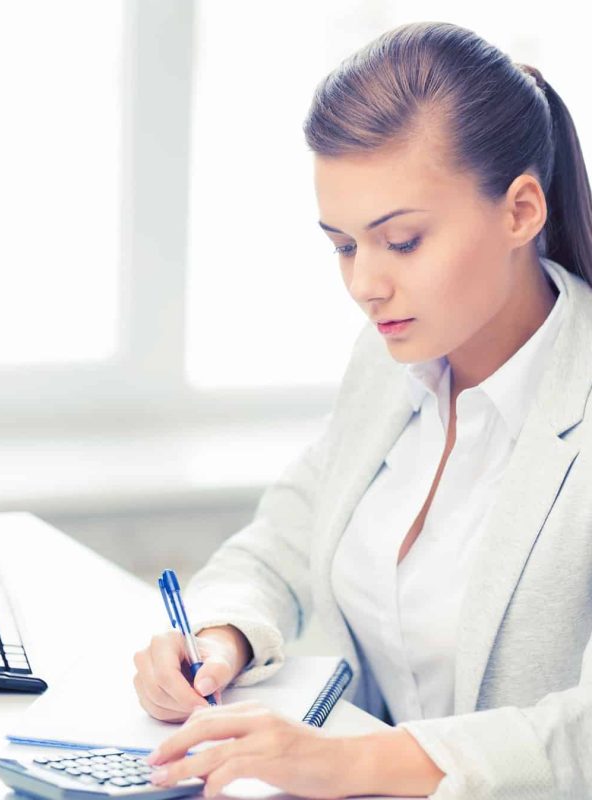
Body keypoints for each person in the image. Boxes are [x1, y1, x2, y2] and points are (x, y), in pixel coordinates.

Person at [132, 20, 592, 799]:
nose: (363, 285)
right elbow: (286, 533)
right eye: (343, 245)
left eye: (402, 241)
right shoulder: (392, 362)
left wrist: (343, 763)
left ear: (520, 211)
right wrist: (221, 633)